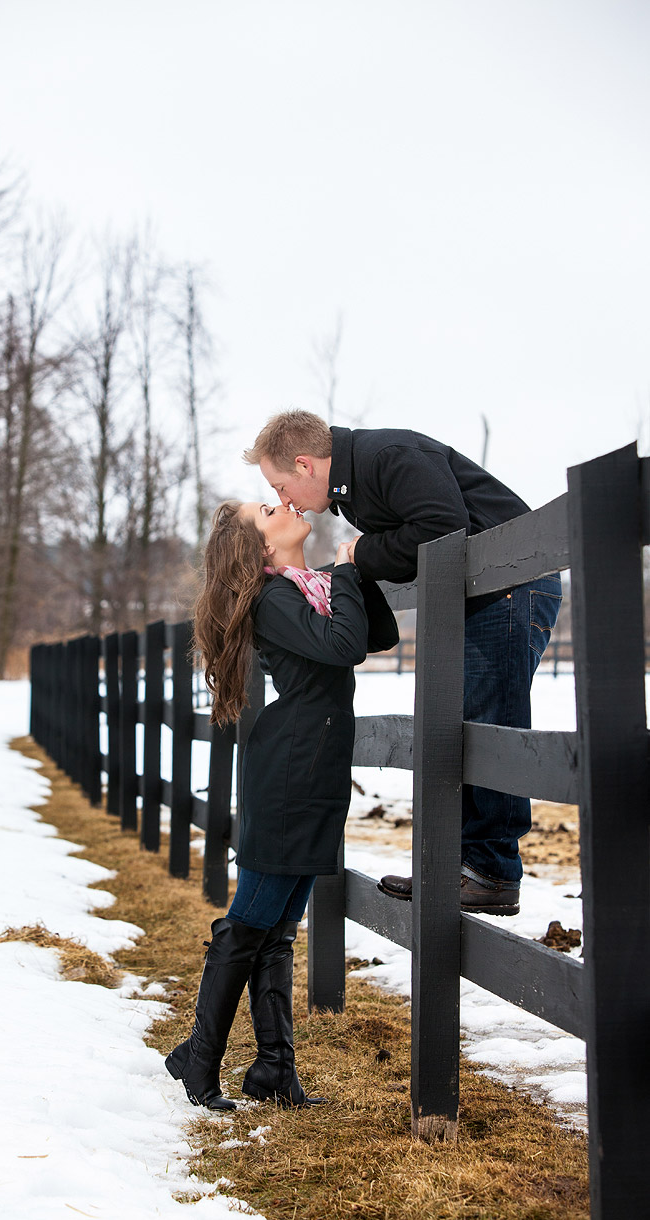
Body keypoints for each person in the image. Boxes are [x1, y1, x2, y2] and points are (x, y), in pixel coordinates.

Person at [244, 410, 562, 917]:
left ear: (304, 465)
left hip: (511, 585)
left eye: (281, 486)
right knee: (457, 729)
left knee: (487, 724)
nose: (283, 500)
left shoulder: (387, 458)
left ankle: (492, 870)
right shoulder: (357, 485)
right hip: (480, 596)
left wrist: (361, 555)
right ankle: (461, 864)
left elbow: (442, 527)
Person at [165, 499, 398, 1111]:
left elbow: (378, 634)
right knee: (250, 923)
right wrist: (346, 572)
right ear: (262, 548)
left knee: (277, 929)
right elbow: (344, 644)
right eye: (269, 508)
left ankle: (273, 1070)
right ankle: (198, 1058)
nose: (287, 505)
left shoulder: (305, 589)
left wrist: (352, 571)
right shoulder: (276, 600)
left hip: (312, 768)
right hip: (290, 774)